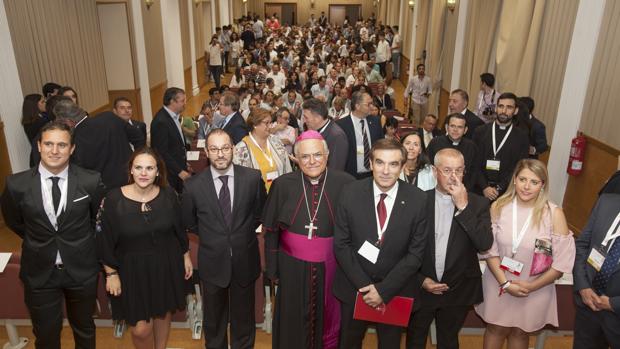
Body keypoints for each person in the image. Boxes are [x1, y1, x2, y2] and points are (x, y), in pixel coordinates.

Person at [1, 121, 106, 349]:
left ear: (72, 149)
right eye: (48, 144)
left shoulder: (91, 181)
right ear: (38, 146)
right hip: (39, 273)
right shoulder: (15, 185)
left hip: (81, 270)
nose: (55, 150)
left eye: (62, 144)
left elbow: (94, 221)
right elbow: (14, 221)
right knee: (46, 335)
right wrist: (40, 239)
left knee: (85, 329)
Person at [262, 130, 355, 349]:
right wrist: (273, 271)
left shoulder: (346, 183)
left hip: (333, 268)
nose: (312, 161)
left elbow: (354, 233)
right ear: (295, 158)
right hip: (291, 268)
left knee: (330, 322)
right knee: (292, 320)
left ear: (327, 154)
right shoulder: (283, 185)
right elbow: (272, 232)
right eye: (305, 156)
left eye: (317, 155)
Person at [333, 138, 427, 349]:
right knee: (348, 343)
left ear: (403, 166)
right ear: (370, 163)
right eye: (380, 162)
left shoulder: (418, 200)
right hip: (354, 288)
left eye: (393, 164)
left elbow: (416, 254)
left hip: (396, 290)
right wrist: (366, 288)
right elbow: (341, 244)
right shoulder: (350, 192)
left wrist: (384, 290)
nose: (385, 170)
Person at [97, 147, 192, 349]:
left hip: (166, 264)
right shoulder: (113, 199)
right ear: (130, 170)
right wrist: (111, 273)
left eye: (149, 168)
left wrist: (185, 256)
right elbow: (103, 239)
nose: (143, 173)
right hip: (131, 270)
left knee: (163, 312)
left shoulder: (169, 195)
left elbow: (179, 230)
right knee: (141, 330)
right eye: (138, 167)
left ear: (158, 172)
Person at [475, 159, 575, 349]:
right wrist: (505, 283)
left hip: (535, 286)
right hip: (498, 280)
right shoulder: (498, 207)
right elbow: (490, 250)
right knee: (495, 328)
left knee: (520, 332)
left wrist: (531, 286)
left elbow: (562, 264)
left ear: (542, 185)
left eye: (534, 182)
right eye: (522, 179)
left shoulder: (554, 214)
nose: (527, 187)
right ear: (514, 179)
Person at [182, 129, 266, 349]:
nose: (220, 154)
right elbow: (190, 222)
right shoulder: (192, 186)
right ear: (206, 152)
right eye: (214, 149)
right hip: (212, 261)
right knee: (214, 322)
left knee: (244, 320)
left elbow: (259, 213)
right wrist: (214, 236)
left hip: (244, 259)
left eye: (225, 148)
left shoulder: (252, 178)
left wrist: (239, 234)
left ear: (233, 149)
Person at [407, 148, 493, 349]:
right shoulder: (417, 200)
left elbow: (484, 244)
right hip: (422, 285)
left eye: (459, 170)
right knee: (415, 338)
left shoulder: (478, 204)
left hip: (458, 287)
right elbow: (403, 246)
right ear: (435, 172)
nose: (453, 177)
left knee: (448, 340)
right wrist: (420, 280)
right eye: (447, 170)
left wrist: (463, 207)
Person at [573, 193, 620, 348]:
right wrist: (583, 286)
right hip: (588, 305)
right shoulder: (606, 202)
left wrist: (613, 303)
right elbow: (582, 245)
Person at [72, 108, 146, 190]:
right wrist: (138, 161)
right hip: (128, 176)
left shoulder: (75, 137)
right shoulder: (109, 117)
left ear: (68, 122)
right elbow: (138, 136)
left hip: (103, 187)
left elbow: (79, 167)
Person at [473, 92, 529, 201]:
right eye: (501, 106)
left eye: (509, 107)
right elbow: (474, 162)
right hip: (479, 190)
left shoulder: (522, 137)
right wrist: (484, 186)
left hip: (505, 193)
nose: (504, 111)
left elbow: (519, 167)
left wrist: (499, 188)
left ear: (515, 111)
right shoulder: (480, 131)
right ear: (496, 108)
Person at [233, 109, 292, 192]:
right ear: (255, 125)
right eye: (266, 123)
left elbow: (287, 168)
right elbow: (240, 182)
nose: (270, 126)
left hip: (280, 195)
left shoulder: (276, 141)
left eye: (270, 122)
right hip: (256, 200)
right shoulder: (241, 150)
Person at [150, 87, 190, 193]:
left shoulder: (174, 116)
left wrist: (184, 161)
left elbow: (177, 144)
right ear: (172, 101)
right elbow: (161, 152)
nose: (185, 103)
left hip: (178, 165)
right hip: (170, 173)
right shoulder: (161, 122)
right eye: (182, 101)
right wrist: (179, 171)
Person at [337, 91, 384, 179]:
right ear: (357, 106)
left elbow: (381, 145)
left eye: (372, 103)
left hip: (372, 174)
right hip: (350, 175)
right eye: (368, 104)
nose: (372, 107)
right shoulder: (341, 125)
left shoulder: (375, 121)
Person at [427, 113, 479, 191]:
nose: (455, 130)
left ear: (465, 130)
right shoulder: (435, 143)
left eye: (460, 127)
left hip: (463, 189)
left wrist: (465, 189)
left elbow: (474, 172)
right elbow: (428, 167)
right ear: (446, 127)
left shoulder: (471, 147)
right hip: (438, 189)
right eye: (452, 126)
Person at [303, 98, 349, 171]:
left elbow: (335, 170)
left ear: (318, 118)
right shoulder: (316, 131)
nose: (304, 121)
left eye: (306, 117)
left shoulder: (337, 136)